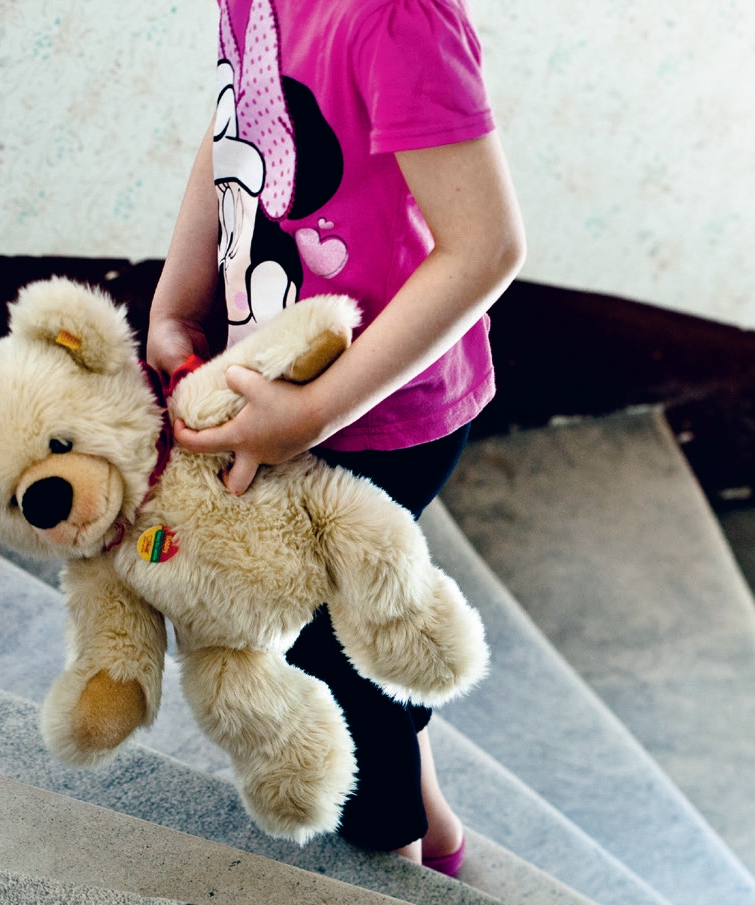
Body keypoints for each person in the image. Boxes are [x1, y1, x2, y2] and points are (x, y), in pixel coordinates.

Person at [147, 0, 525, 874]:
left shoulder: (396, 19)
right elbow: (236, 131)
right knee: (344, 625)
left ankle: (390, 848)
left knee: (330, 650)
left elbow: (486, 247)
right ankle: (432, 824)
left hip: (380, 415)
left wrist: (314, 413)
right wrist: (178, 301)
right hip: (278, 379)